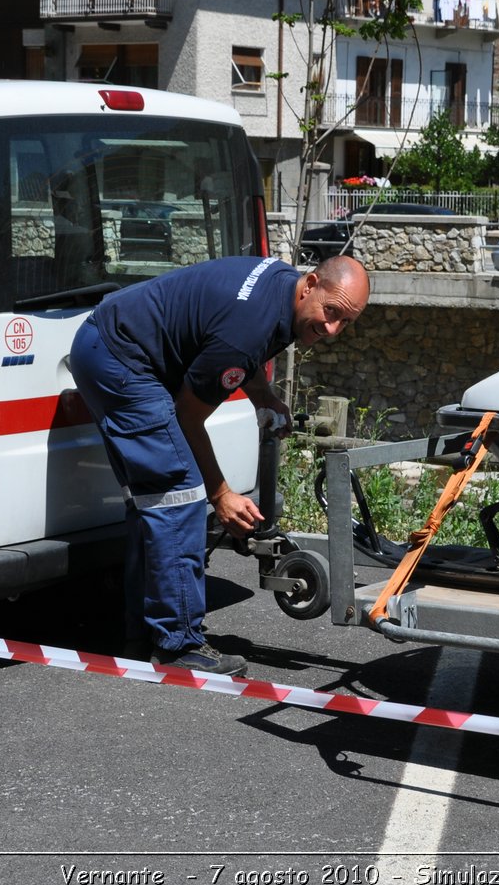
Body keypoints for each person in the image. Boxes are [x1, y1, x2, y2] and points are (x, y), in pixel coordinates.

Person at [70, 254, 370, 676]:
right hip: (120, 358)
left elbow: (243, 350)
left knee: (154, 503)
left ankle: (143, 635)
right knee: (180, 496)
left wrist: (262, 395)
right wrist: (220, 493)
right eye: (331, 312)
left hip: (113, 341)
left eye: (346, 322)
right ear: (310, 284)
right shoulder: (250, 325)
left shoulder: (283, 292)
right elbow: (188, 416)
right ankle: (178, 646)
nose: (332, 329)